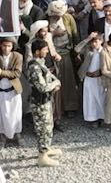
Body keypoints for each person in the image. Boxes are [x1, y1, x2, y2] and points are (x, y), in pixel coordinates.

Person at [24, 37, 59, 167]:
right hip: (39, 103)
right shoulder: (34, 67)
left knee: (49, 126)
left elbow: (49, 76)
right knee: (42, 129)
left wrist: (54, 81)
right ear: (37, 51)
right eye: (44, 50)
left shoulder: (40, 63)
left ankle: (47, 148)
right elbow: (42, 87)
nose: (47, 52)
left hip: (45, 101)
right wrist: (55, 83)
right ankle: (42, 156)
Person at [0, 33, 21, 148]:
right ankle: (3, 135)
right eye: (4, 46)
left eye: (9, 46)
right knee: (2, 114)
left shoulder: (17, 56)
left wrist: (2, 72)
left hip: (13, 90)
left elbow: (17, 73)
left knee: (15, 113)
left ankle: (17, 134)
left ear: (12, 46)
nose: (6, 48)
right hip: (1, 90)